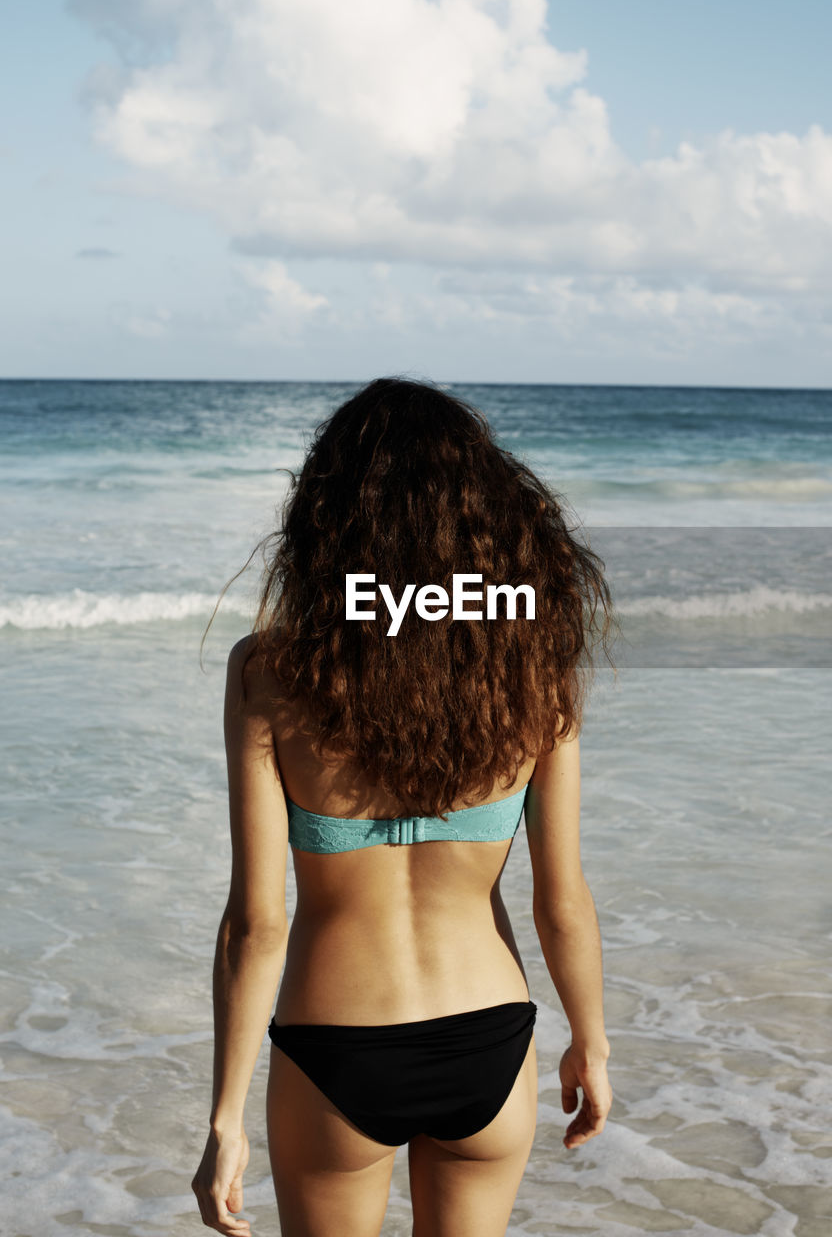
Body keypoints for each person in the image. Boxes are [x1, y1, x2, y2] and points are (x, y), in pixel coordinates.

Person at [192, 378, 614, 1236]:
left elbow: (255, 925)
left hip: (336, 1045)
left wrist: (224, 1119)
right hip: (489, 1042)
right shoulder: (534, 672)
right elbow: (561, 899)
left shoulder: (271, 672)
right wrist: (589, 1042)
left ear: (332, 516)